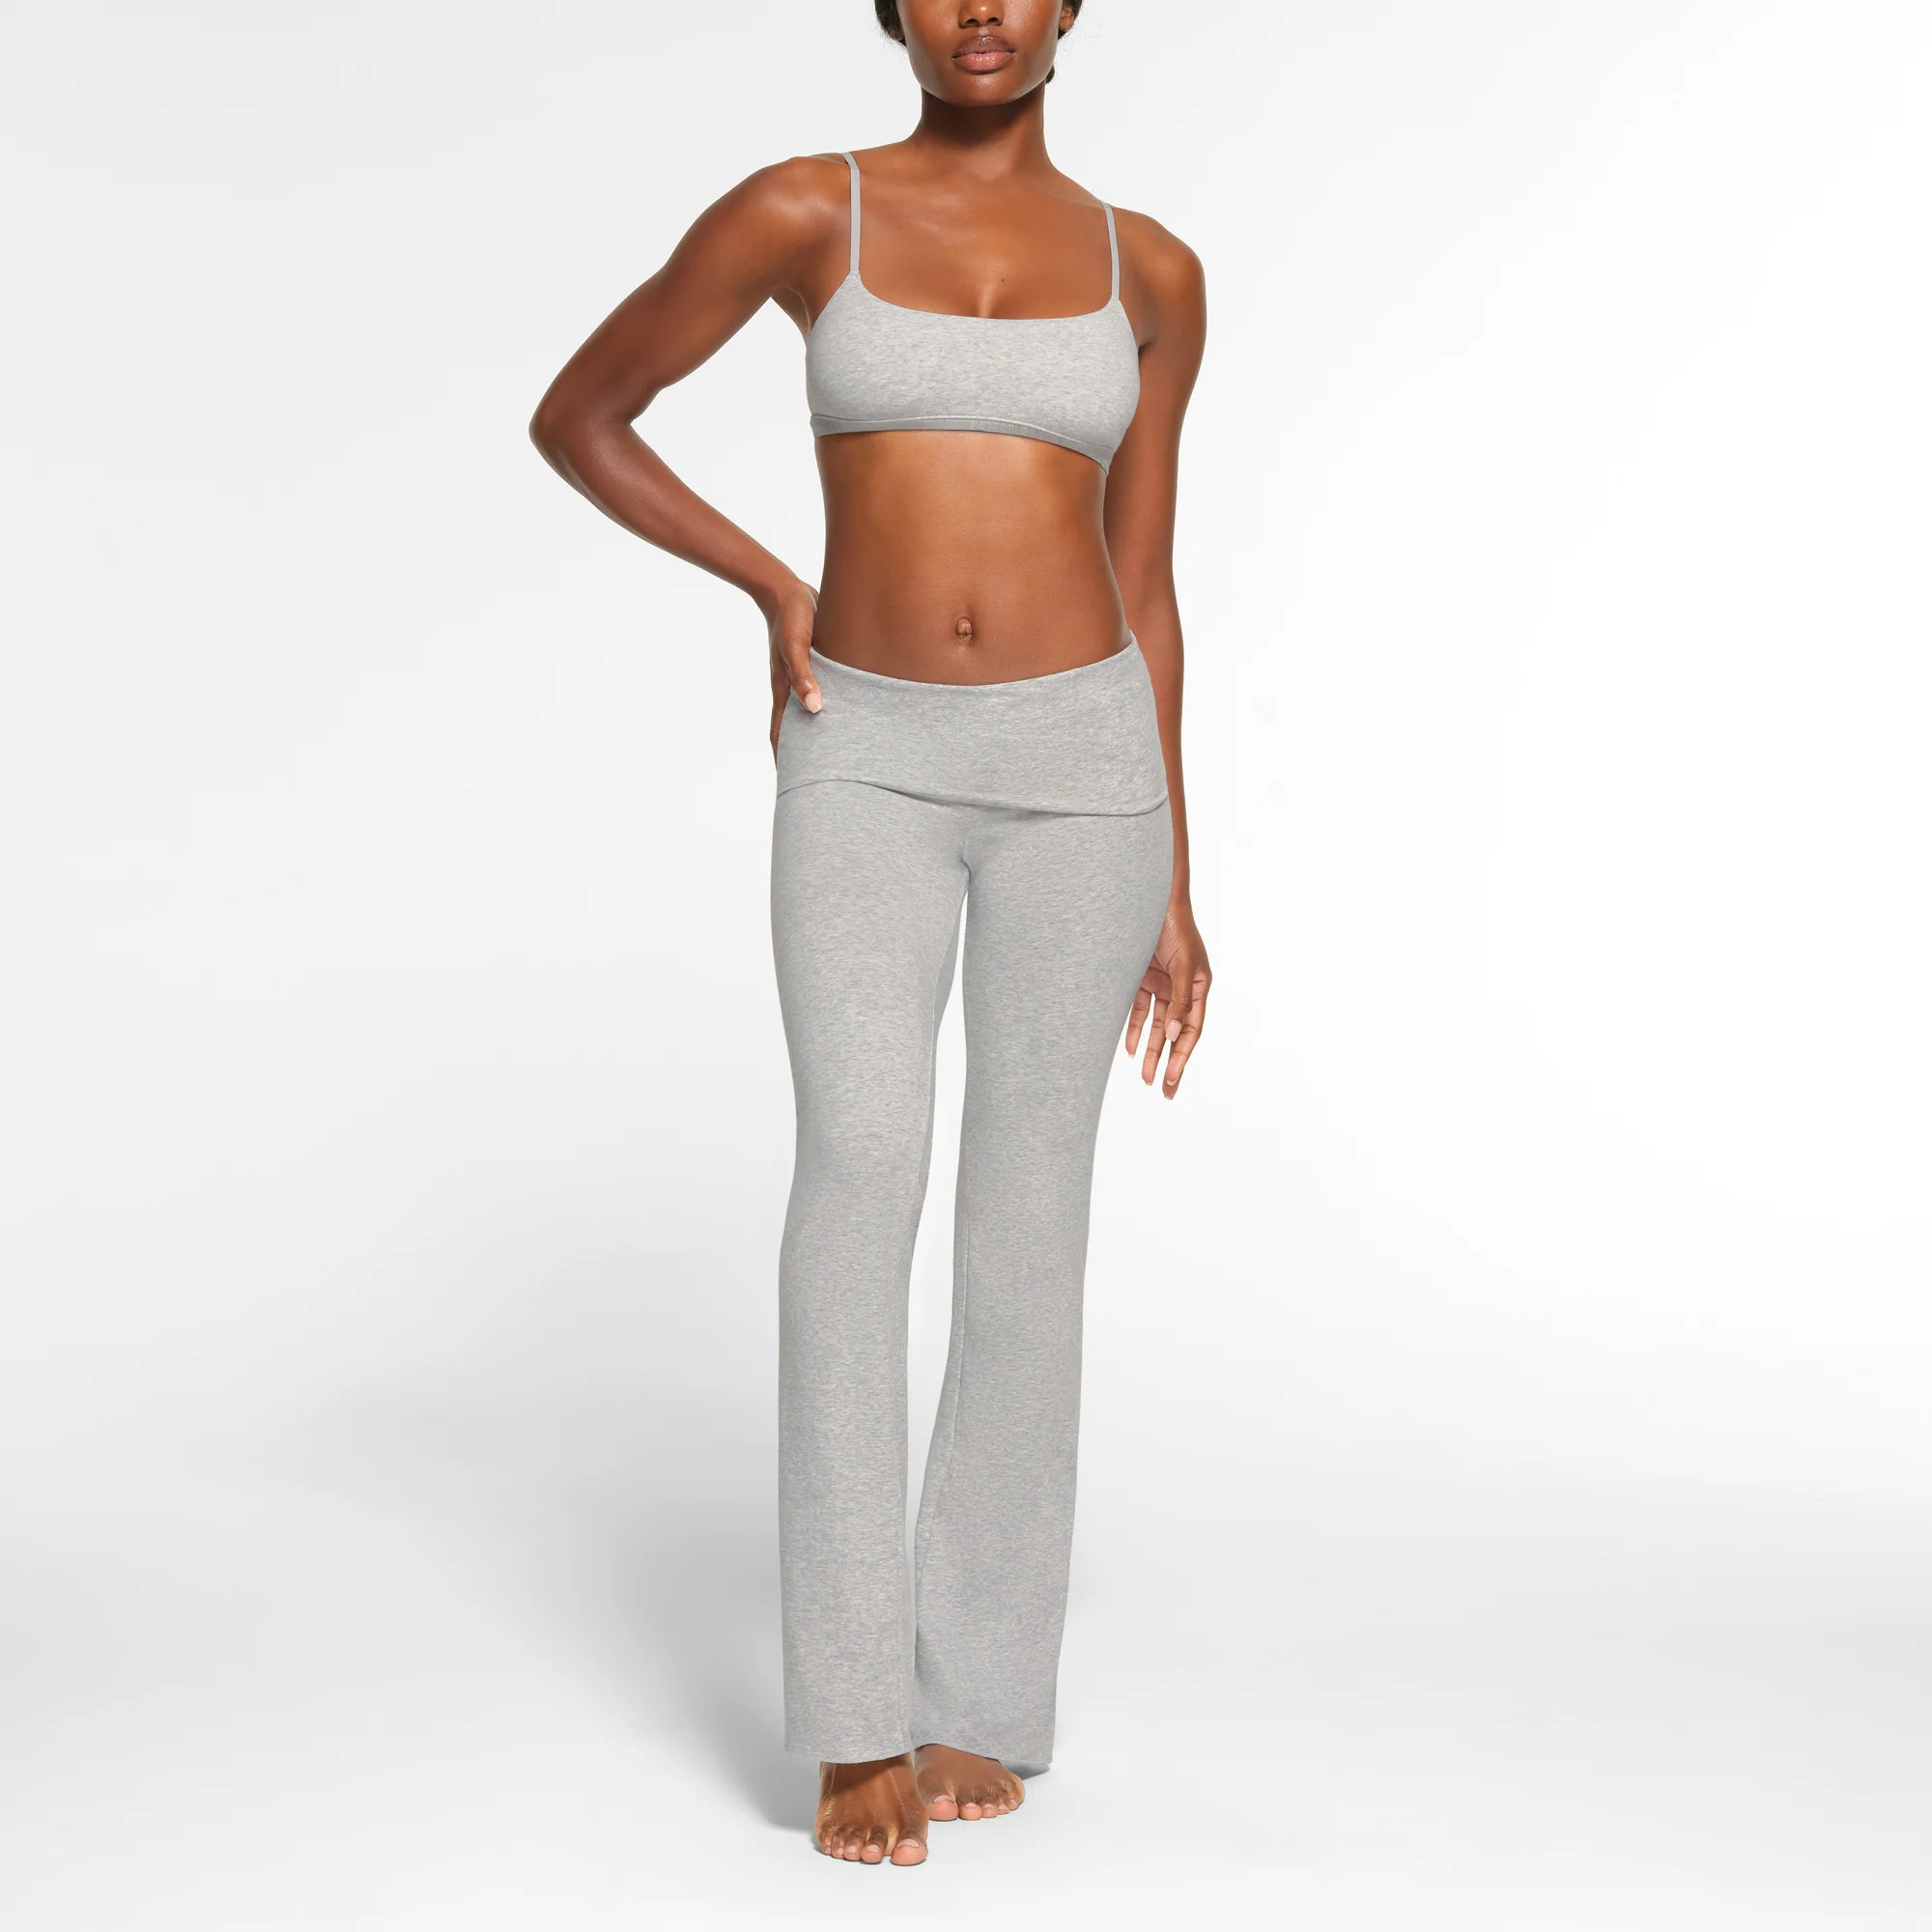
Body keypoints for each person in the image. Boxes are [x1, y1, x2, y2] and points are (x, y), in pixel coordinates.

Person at [529, 0, 1210, 1868]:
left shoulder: (1152, 270)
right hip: (868, 748)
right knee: (861, 1171)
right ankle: (852, 1720)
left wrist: (1179, 872)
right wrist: (773, 583)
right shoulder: (800, 209)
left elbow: (1149, 579)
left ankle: (978, 1687)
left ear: (1072, 7)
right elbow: (579, 416)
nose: (982, 9)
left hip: (1089, 771)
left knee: (1030, 1223)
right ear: (892, 7)